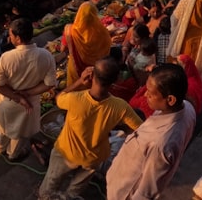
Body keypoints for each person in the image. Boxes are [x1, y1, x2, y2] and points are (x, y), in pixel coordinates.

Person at [38, 57, 142, 200]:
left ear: (91, 75)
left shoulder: (75, 99)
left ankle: (45, 197)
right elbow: (141, 129)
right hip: (94, 158)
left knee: (51, 183)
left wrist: (80, 81)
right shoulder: (121, 107)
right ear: (116, 81)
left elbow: (59, 97)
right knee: (75, 188)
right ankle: (68, 197)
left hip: (66, 153)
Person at [105, 63, 197, 200]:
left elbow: (147, 191)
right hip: (122, 175)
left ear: (170, 99)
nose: (146, 94)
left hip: (125, 192)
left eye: (150, 93)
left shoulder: (161, 143)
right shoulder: (187, 107)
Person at [0, 18, 56, 162]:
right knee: (19, 134)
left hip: (7, 101)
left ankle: (1, 148)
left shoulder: (6, 58)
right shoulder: (46, 56)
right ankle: (13, 154)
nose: (9, 38)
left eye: (11, 35)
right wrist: (27, 94)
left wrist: (17, 97)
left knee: (3, 129)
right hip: (29, 104)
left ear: (18, 38)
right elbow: (50, 84)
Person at [62, 2, 112, 85]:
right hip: (96, 69)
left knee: (75, 90)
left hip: (75, 68)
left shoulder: (70, 30)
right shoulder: (102, 31)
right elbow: (107, 48)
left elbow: (62, 49)